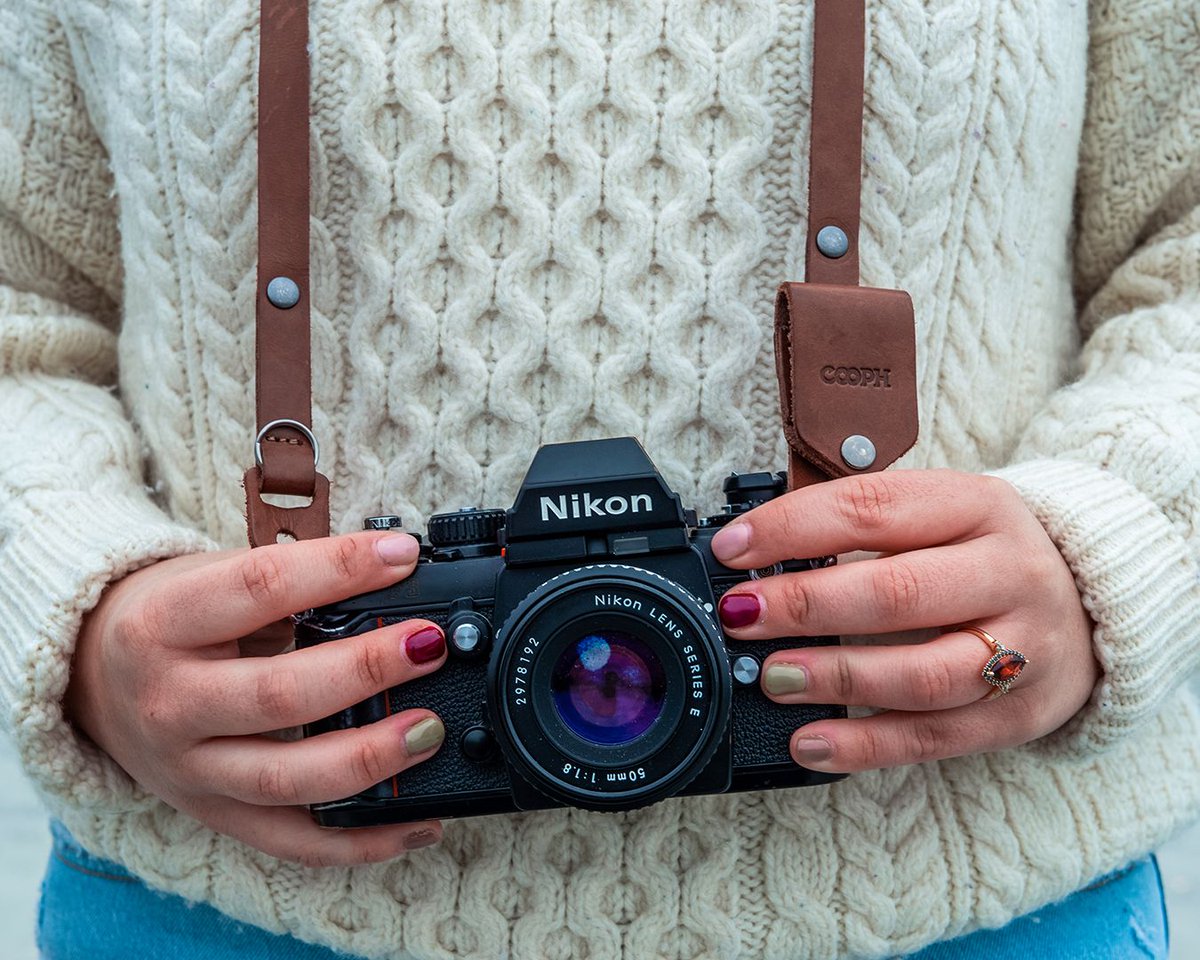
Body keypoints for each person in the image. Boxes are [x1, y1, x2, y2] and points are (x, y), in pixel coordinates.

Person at [1, 0, 1196, 958]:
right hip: (223, 913)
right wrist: (83, 616)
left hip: (979, 903)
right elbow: (23, 308)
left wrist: (1112, 546)